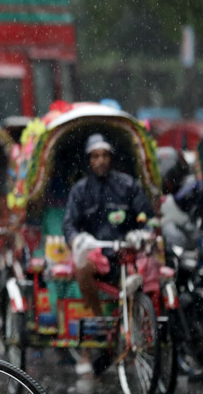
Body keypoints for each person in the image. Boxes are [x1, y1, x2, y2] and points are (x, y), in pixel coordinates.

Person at [62, 133, 153, 376]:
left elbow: (145, 216)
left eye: (104, 155)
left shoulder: (128, 185)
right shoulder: (81, 190)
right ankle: (99, 320)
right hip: (97, 253)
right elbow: (69, 224)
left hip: (127, 251)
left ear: (110, 157)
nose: (100, 160)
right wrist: (77, 240)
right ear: (89, 160)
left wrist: (143, 231)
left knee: (152, 275)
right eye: (95, 156)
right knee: (83, 270)